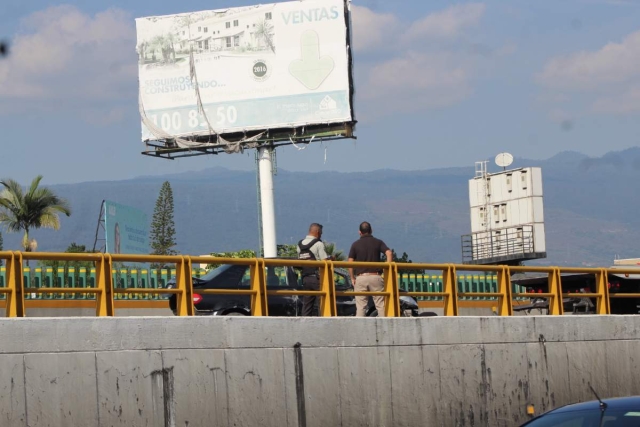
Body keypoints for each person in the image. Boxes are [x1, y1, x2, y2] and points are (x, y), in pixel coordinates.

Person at [348, 221, 393, 317]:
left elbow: (350, 262)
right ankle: (383, 327)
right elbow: (389, 253)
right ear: (371, 230)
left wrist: (352, 278)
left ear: (359, 232)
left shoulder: (355, 244)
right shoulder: (378, 242)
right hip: (375, 276)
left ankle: (360, 328)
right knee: (380, 305)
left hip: (361, 277)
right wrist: (387, 269)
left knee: (361, 307)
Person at [297, 223, 332, 316]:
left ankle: (305, 322)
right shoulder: (318, 244)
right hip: (317, 278)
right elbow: (324, 261)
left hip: (305, 278)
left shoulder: (300, 244)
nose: (321, 235)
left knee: (307, 304)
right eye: (321, 233)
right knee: (323, 302)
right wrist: (330, 259)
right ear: (317, 232)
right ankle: (324, 322)